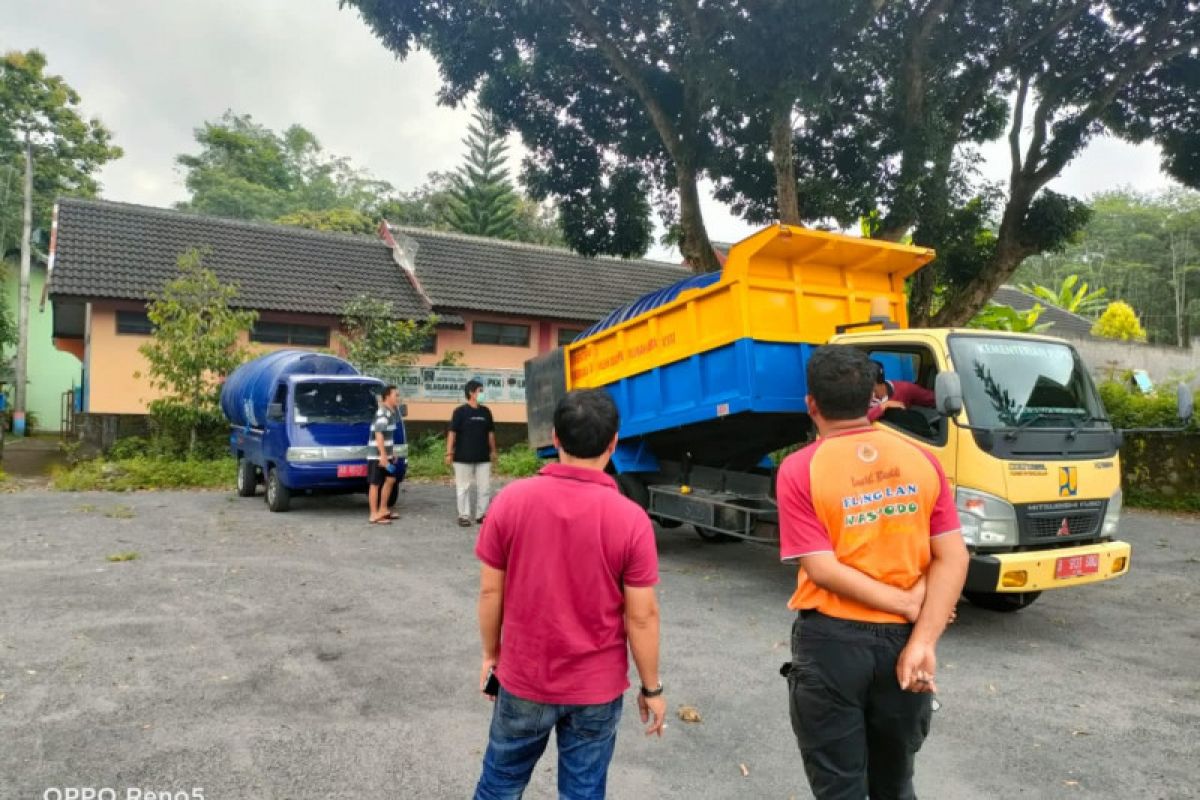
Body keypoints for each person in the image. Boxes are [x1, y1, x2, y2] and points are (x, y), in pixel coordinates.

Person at [777, 346, 969, 800]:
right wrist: (922, 638)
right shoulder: (922, 461)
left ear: (811, 404)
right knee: (896, 783)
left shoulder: (799, 469)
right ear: (873, 399)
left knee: (840, 788)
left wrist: (908, 606)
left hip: (831, 647)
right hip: (905, 642)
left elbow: (821, 569)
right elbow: (954, 557)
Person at [473, 389, 666, 799]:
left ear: (555, 438)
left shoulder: (511, 501)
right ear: (613, 443)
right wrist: (652, 688)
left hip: (524, 677)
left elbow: (492, 591)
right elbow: (643, 616)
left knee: (500, 785)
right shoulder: (631, 520)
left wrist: (492, 655)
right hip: (594, 688)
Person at [446, 379, 497, 527]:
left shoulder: (486, 412)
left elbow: (491, 434)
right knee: (463, 488)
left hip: (483, 457)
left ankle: (481, 515)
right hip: (462, 458)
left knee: (485, 488)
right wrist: (449, 453)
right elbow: (452, 433)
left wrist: (493, 451)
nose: (482, 394)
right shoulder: (460, 412)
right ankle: (464, 515)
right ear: (471, 393)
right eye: (480, 391)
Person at [367, 385, 401, 525]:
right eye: (396, 395)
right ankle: (374, 514)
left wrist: (391, 452)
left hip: (387, 455)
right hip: (377, 456)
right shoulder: (382, 413)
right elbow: (378, 434)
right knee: (375, 484)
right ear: (387, 396)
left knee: (391, 479)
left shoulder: (392, 412)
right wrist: (382, 455)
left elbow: (388, 435)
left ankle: (383, 509)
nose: (398, 398)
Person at [867, 360, 936, 422]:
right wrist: (884, 406)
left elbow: (933, 399)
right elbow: (859, 419)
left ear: (873, 382)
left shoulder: (905, 388)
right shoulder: (861, 395)